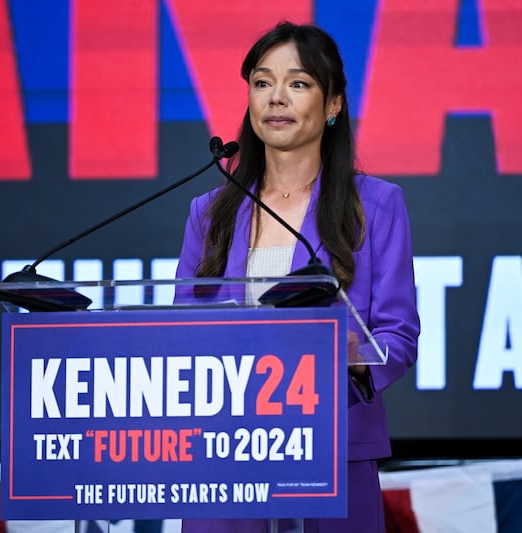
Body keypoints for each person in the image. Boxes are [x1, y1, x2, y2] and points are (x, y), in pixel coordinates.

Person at [175, 21, 420, 532]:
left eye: (298, 83)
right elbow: (184, 329)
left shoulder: (375, 206)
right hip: (222, 452)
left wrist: (352, 357)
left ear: (333, 104)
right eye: (262, 83)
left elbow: (398, 335)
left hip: (333, 446)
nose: (276, 98)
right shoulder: (209, 211)